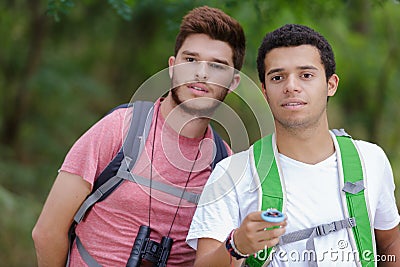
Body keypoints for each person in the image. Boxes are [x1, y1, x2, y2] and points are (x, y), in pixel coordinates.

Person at [32, 6, 246, 266]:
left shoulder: (225, 166)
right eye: (190, 60)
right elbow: (46, 233)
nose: (201, 73)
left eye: (216, 66)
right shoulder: (119, 129)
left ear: (233, 82)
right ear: (172, 66)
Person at [187, 24, 400, 266]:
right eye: (278, 77)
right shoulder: (231, 174)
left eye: (306, 75)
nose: (291, 86)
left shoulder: (370, 160)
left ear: (331, 84)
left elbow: (391, 243)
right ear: (265, 92)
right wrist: (237, 246)